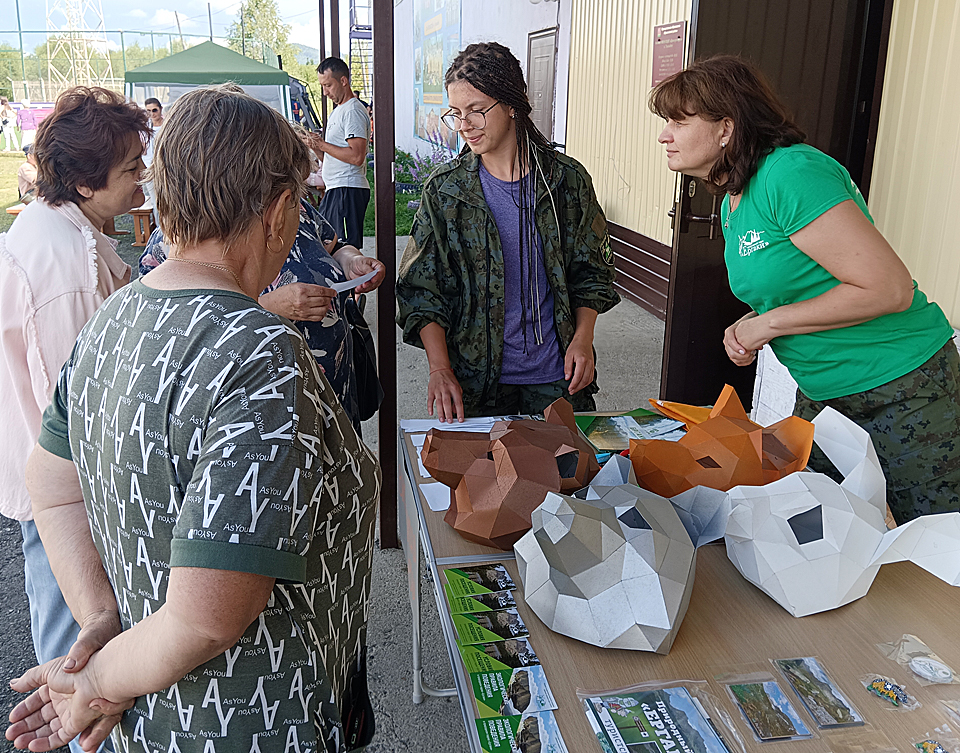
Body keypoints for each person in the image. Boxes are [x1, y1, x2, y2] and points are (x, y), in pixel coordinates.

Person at [5, 83, 380, 753]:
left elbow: (51, 484)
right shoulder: (258, 350)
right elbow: (207, 617)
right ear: (281, 211)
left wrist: (99, 617)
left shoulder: (115, 316)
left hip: (149, 723)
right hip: (248, 725)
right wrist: (95, 678)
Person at [652, 54, 960, 523]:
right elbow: (797, 287)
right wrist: (754, 321)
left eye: (678, 120)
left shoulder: (790, 173)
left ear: (726, 129)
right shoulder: (735, 196)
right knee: (823, 533)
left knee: (937, 550)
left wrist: (769, 324)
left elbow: (888, 289)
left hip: (901, 386)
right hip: (825, 395)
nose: (664, 135)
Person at [0, 86, 150, 753]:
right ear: (81, 179)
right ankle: (73, 729)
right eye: (130, 169)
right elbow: (74, 407)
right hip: (54, 478)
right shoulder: (64, 260)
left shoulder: (62, 226)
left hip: (42, 463)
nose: (141, 180)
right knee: (74, 625)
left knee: (70, 610)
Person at [396, 42, 619, 422]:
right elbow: (421, 289)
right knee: (481, 480)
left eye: (477, 111)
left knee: (566, 478)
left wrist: (583, 339)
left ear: (511, 104)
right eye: (456, 113)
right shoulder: (446, 190)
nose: (464, 125)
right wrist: (439, 368)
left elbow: (592, 273)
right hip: (475, 383)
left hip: (557, 378)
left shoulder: (565, 181)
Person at [136, 123, 386, 430]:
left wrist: (351, 261)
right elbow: (176, 327)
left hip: (331, 386)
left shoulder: (297, 208)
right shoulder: (179, 232)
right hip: (266, 399)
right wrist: (267, 306)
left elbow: (331, 244)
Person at [309, 57, 371, 250]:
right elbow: (331, 156)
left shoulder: (352, 110)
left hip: (347, 189)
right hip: (336, 188)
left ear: (343, 81)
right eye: (322, 86)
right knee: (330, 247)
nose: (325, 92)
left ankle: (356, 281)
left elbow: (356, 156)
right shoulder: (339, 110)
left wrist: (322, 144)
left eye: (328, 85)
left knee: (344, 249)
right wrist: (317, 147)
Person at [141, 97, 165, 218]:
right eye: (148, 111)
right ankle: (159, 231)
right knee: (156, 203)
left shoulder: (168, 125)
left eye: (154, 110)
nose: (151, 114)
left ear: (161, 109)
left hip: (166, 167)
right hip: (149, 168)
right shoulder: (144, 128)